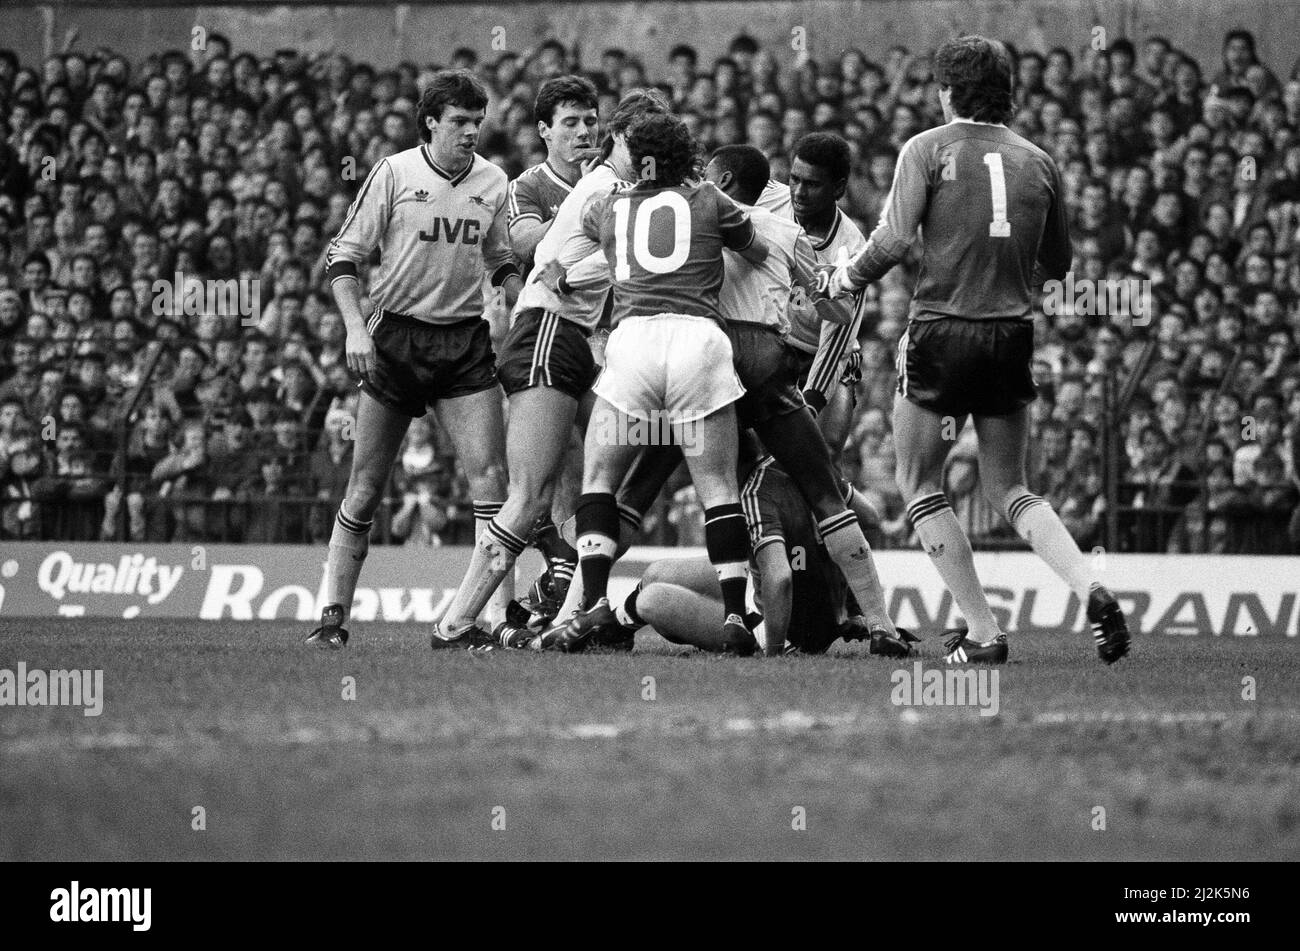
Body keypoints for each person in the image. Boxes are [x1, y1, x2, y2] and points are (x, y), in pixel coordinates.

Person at [830, 35, 1130, 665]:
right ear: (1008, 94)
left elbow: (889, 240)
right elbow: (1058, 262)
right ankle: (1091, 588)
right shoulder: (1039, 161)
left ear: (946, 91)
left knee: (917, 482)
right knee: (1012, 486)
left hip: (941, 330)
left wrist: (845, 278)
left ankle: (986, 632)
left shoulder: (926, 149)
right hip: (1011, 335)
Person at [432, 86, 669, 648]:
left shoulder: (614, 187)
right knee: (530, 494)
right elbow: (553, 261)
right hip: (548, 333)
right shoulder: (605, 190)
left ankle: (571, 589)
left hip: (582, 341)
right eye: (649, 146)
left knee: (636, 452)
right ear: (625, 141)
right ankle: (458, 621)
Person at [308, 69, 521, 650]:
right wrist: (355, 327)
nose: (471, 132)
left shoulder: (494, 181)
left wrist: (510, 289)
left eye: (477, 122)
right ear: (431, 123)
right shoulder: (394, 172)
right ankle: (332, 619)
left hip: (463, 343)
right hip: (395, 340)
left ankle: (488, 619)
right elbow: (342, 258)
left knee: (492, 480)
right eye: (459, 122)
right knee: (367, 486)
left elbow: (500, 256)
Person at [554, 112, 769, 654]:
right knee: (717, 486)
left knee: (599, 478)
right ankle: (737, 615)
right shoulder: (712, 201)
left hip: (634, 345)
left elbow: (582, 258)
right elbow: (757, 249)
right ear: (686, 155)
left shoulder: (610, 207)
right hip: (698, 342)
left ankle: (595, 603)